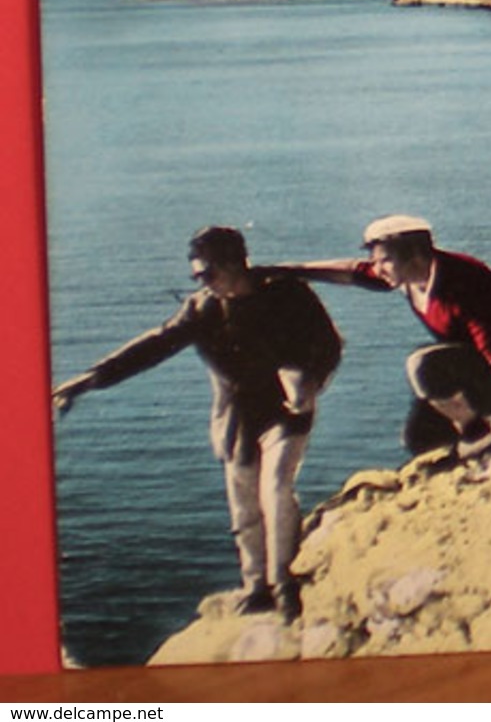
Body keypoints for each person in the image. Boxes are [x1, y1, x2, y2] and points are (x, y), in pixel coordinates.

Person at [51, 227, 342, 624]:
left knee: (275, 489)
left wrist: (310, 380)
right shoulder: (202, 309)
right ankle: (256, 586)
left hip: (286, 410)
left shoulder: (288, 294)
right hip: (236, 416)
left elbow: (329, 344)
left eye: (206, 274)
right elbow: (150, 348)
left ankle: (283, 582)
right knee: (243, 507)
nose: (201, 283)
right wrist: (87, 381)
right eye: (198, 278)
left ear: (233, 264)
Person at [281, 215, 491, 468]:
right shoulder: (409, 275)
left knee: (422, 365)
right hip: (469, 360)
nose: (377, 268)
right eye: (375, 261)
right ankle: (479, 442)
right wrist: (292, 271)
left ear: (415, 256)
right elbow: (352, 271)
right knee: (420, 439)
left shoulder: (464, 283)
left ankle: (484, 429)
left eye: (385, 261)